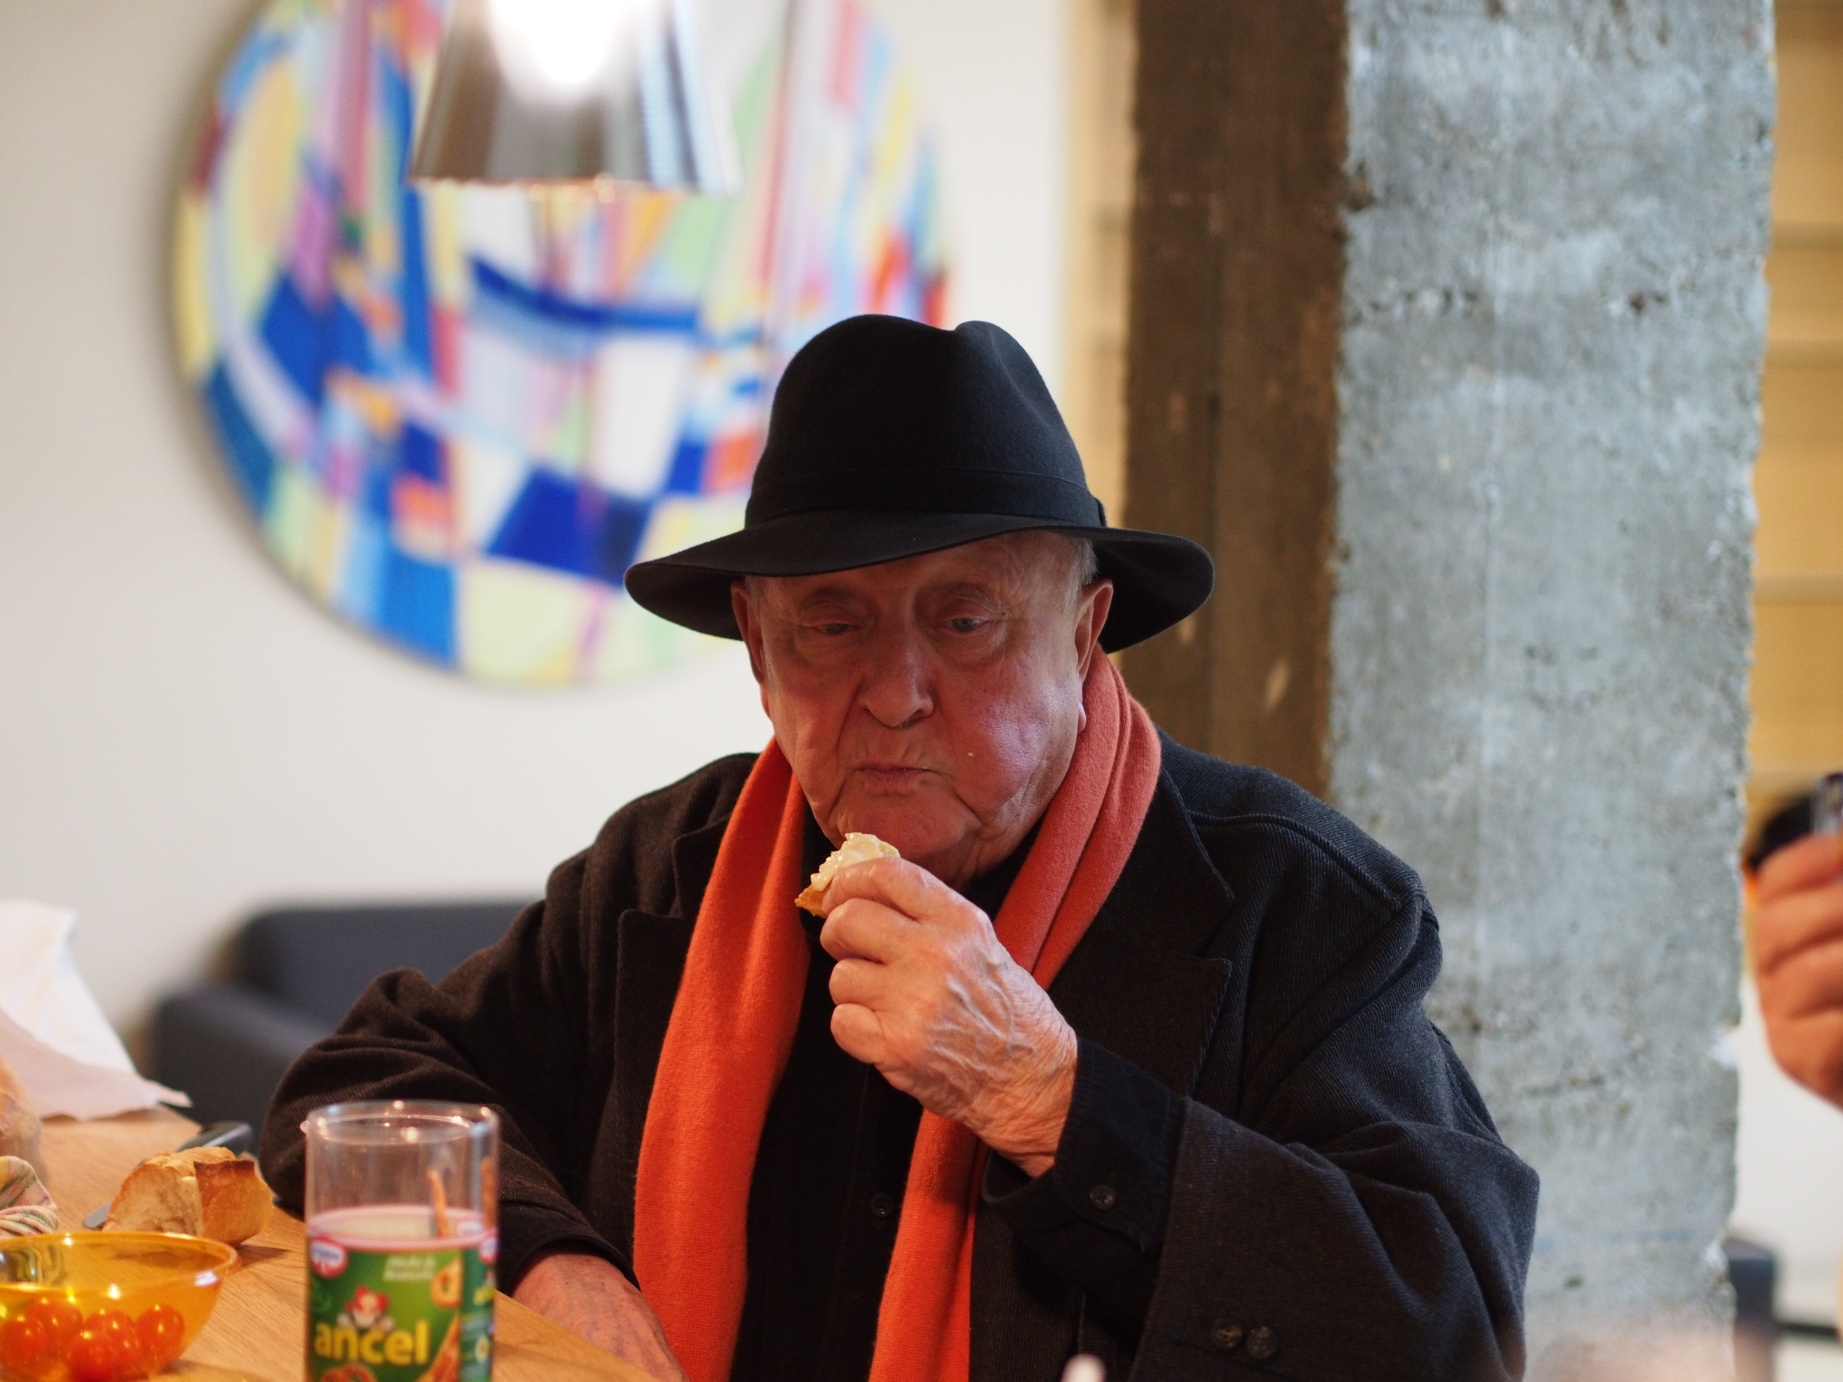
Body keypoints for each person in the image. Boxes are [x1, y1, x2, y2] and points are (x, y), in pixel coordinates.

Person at [260, 316, 1538, 1382]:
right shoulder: (671, 867)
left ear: (1083, 633)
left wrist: (1054, 1097)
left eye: (964, 620)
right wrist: (550, 1260)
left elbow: (1449, 1324)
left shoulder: (1288, 900)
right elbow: (358, 1088)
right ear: (759, 653)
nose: (893, 690)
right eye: (831, 624)